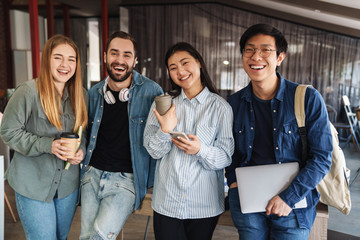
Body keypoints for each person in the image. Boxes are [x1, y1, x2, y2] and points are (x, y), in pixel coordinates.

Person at [225, 23, 333, 239]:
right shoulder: (234, 103)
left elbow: (321, 158)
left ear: (280, 57)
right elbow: (230, 152)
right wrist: (234, 183)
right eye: (249, 49)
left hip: (293, 204)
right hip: (248, 201)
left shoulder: (307, 98)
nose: (256, 56)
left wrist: (288, 198)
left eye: (265, 50)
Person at [143, 42, 234, 240]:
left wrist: (200, 149)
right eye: (173, 67)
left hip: (204, 205)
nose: (180, 71)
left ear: (199, 63)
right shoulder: (162, 103)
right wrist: (165, 130)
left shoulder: (221, 108)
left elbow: (225, 157)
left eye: (185, 63)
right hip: (167, 202)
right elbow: (153, 151)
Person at [0, 34, 88, 240]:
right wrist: (49, 145)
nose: (65, 64)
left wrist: (80, 151)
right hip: (32, 184)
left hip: (67, 186)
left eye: (71, 59)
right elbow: (8, 131)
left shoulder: (82, 95)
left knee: (60, 237)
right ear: (47, 59)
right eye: (58, 57)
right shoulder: (27, 92)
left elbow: (84, 133)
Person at [80, 31, 163, 240]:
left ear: (135, 60)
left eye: (127, 55)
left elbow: (161, 139)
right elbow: (84, 134)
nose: (120, 60)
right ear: (105, 56)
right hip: (91, 175)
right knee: (86, 237)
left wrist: (151, 183)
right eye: (114, 53)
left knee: (97, 238)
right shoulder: (93, 94)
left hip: (126, 180)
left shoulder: (152, 91)